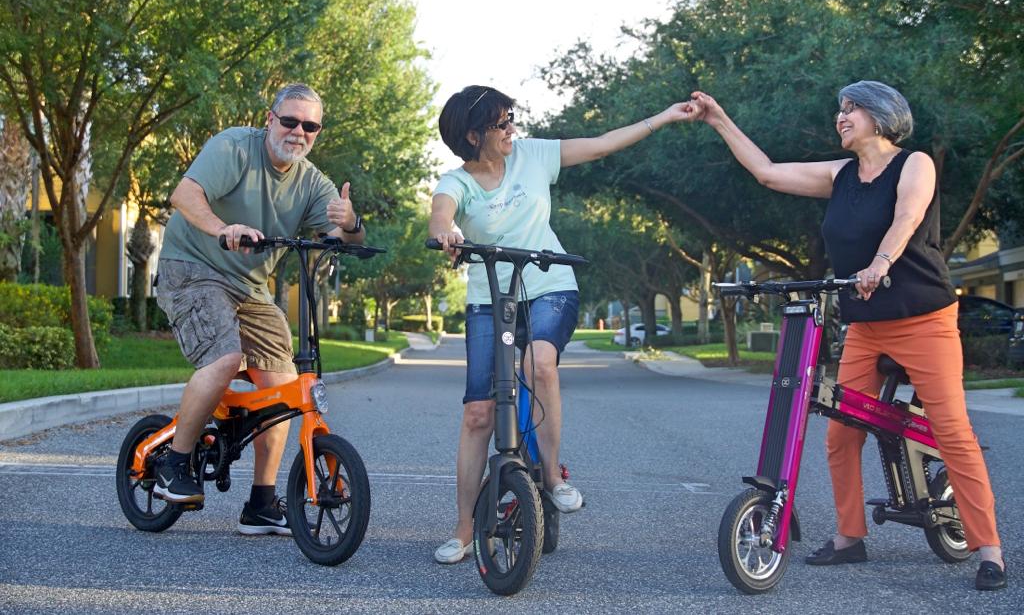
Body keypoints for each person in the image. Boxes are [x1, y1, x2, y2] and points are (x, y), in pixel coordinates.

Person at [685, 81, 1006, 591]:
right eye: (840, 108)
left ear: (880, 117)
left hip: (924, 318)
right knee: (841, 431)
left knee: (952, 433)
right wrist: (718, 119)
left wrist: (880, 263)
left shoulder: (913, 164)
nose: (842, 116)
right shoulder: (841, 175)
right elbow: (768, 174)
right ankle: (849, 536)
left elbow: (908, 216)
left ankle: (989, 550)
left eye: (852, 108)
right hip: (865, 324)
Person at [428, 84, 694, 564]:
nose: (512, 129)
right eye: (501, 123)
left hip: (551, 286)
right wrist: (447, 235)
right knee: (478, 415)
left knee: (539, 364)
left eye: (512, 118)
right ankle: (464, 529)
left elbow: (604, 142)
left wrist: (665, 115)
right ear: (472, 135)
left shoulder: (534, 155)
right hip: (491, 298)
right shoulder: (456, 182)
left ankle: (552, 476)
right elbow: (440, 215)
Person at [154, 83, 365, 535]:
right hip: (192, 267)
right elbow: (184, 196)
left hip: (249, 286)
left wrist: (351, 224)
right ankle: (174, 462)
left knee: (285, 388)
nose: (298, 131)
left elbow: (340, 235)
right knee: (226, 357)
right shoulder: (234, 146)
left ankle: (262, 503)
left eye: (309, 126)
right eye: (289, 120)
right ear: (270, 119)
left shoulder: (311, 181)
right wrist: (221, 227)